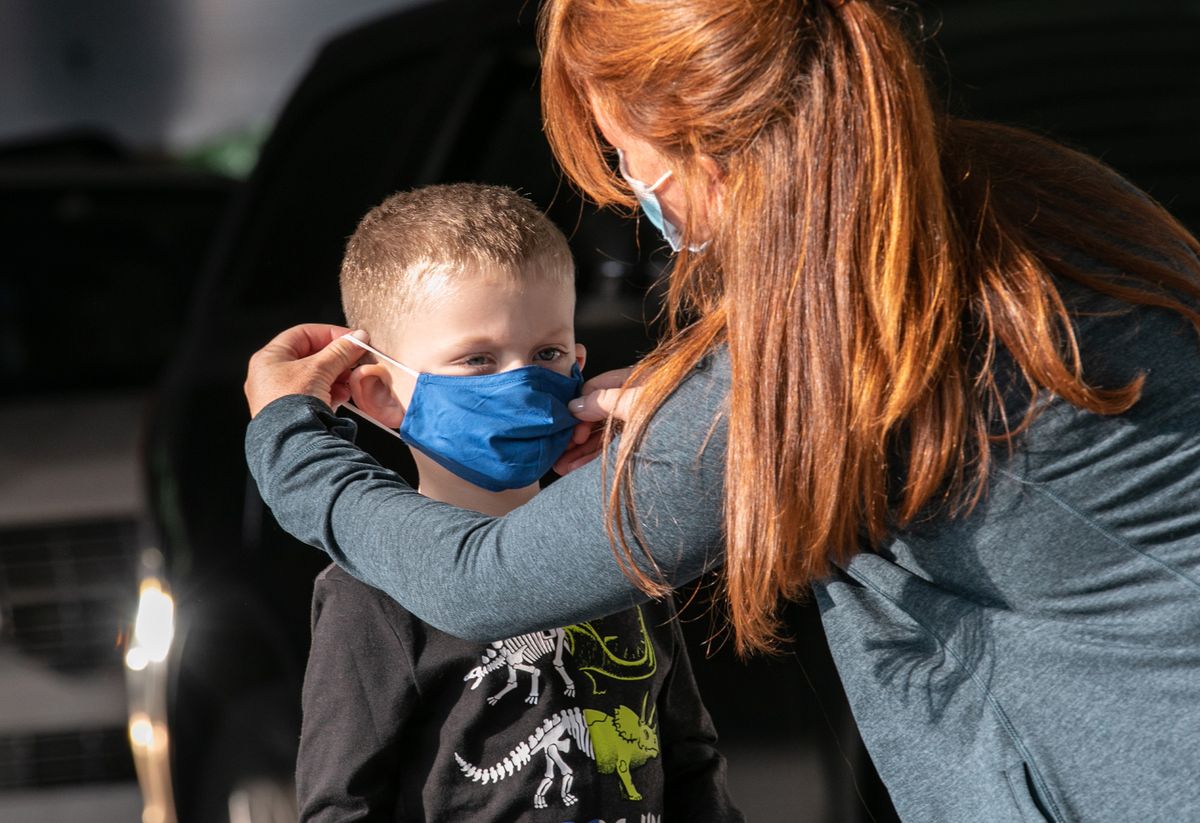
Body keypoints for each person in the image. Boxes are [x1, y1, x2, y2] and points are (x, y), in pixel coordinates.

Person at [244, 1, 1200, 821]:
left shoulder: (840, 339)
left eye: (625, 158)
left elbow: (479, 581)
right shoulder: (1014, 199)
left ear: (702, 146)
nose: (639, 200)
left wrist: (290, 437)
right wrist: (690, 406)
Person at [292, 183, 743, 823]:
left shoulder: (614, 542)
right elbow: (341, 804)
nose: (522, 382)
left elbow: (689, 756)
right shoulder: (370, 593)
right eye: (477, 359)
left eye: (547, 354)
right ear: (380, 396)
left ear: (578, 364)